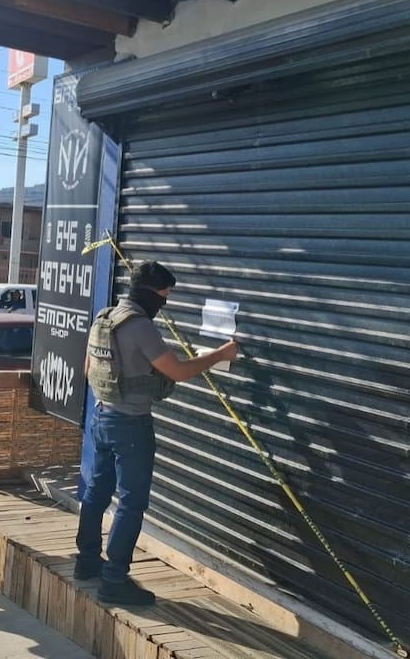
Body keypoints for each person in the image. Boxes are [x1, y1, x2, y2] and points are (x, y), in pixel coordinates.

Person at [74, 260, 238, 606]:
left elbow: (88, 368)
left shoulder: (105, 317)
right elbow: (176, 372)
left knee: (96, 494)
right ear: (150, 293)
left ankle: (87, 562)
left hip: (101, 417)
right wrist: (219, 355)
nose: (164, 303)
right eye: (164, 296)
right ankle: (114, 581)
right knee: (131, 503)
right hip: (131, 425)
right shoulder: (140, 327)